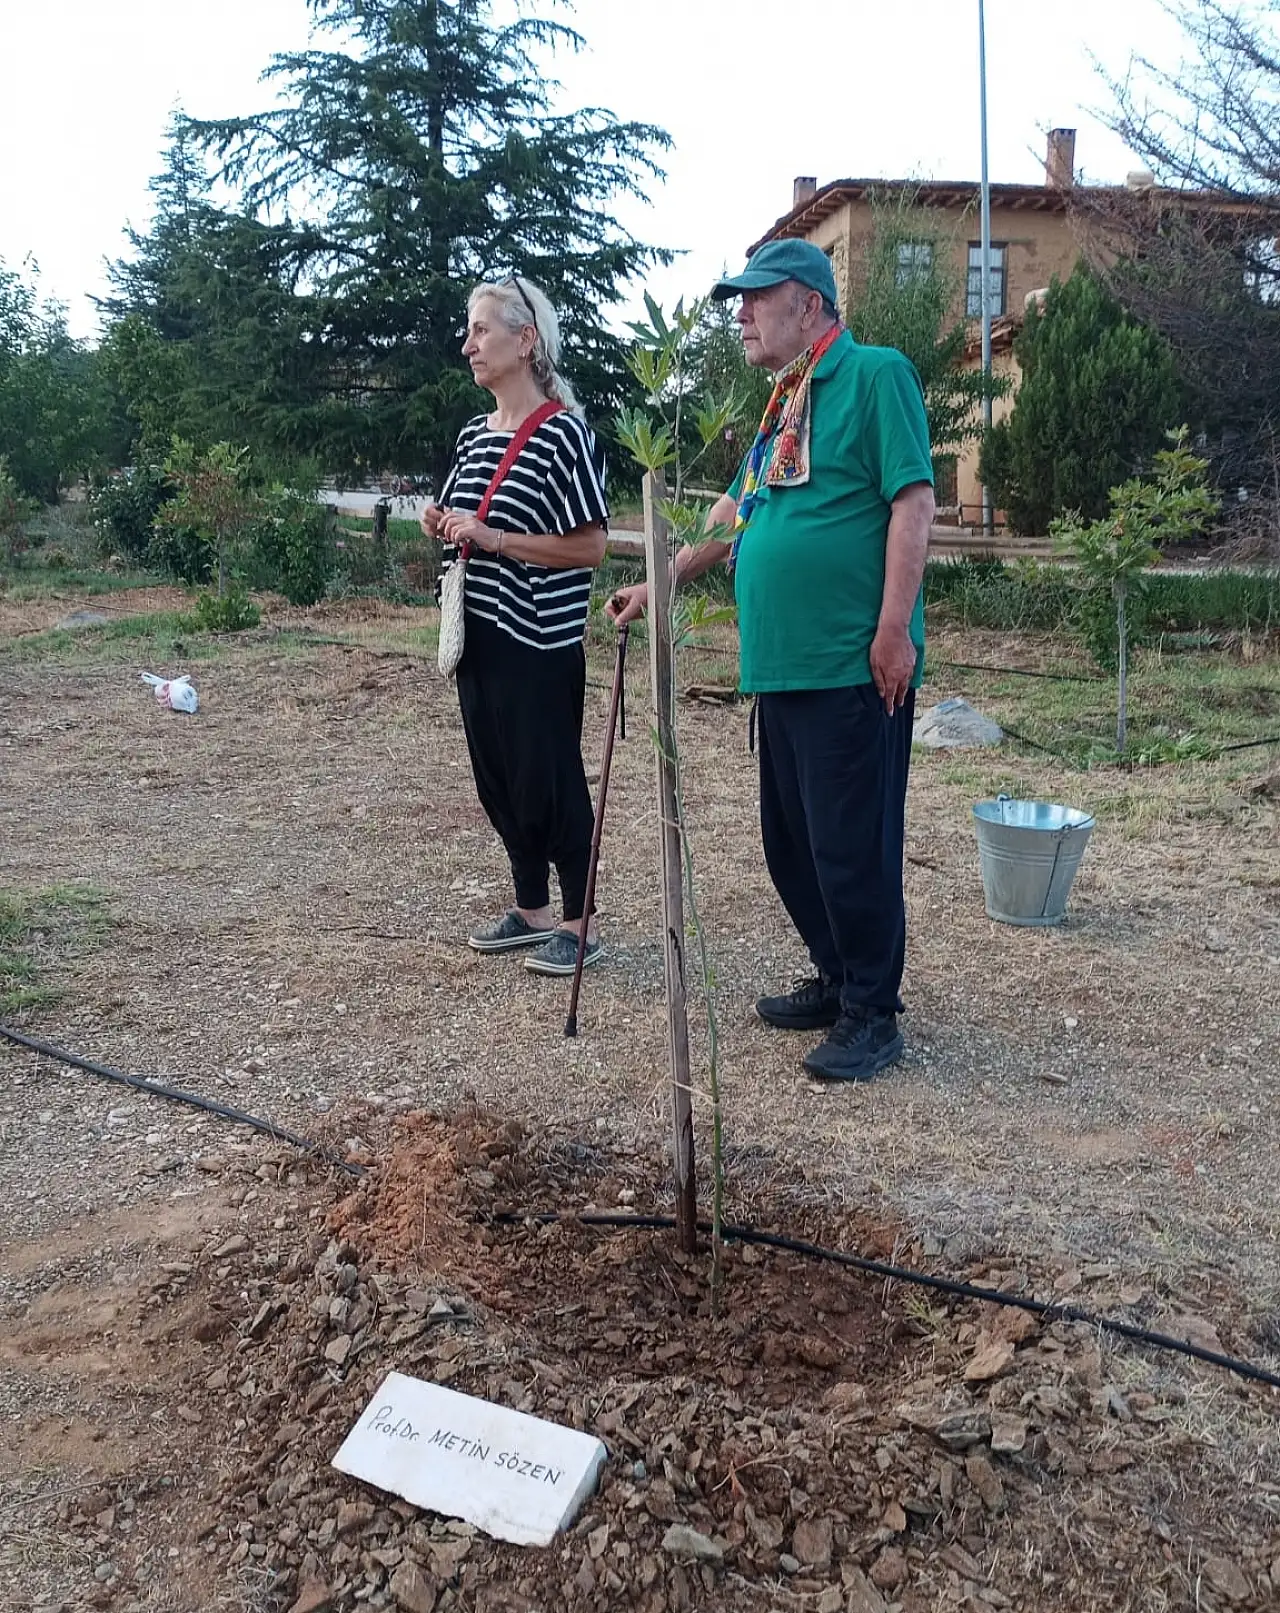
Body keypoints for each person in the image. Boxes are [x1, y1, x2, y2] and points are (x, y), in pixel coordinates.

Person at [608, 240, 935, 1082]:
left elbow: (912, 500)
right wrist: (659, 583)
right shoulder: (785, 401)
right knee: (792, 846)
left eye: (759, 297)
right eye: (740, 300)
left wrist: (893, 629)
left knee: (851, 845)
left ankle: (872, 1010)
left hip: (849, 665)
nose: (743, 314)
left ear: (811, 304)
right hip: (782, 667)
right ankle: (836, 976)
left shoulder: (875, 375)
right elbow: (733, 514)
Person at [423, 276, 610, 977]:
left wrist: (496, 539)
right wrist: (442, 523)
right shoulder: (473, 436)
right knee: (497, 778)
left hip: (538, 642)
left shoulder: (564, 435)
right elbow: (464, 518)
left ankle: (579, 923)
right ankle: (531, 908)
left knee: (550, 778)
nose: (467, 345)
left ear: (526, 340)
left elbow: (591, 547)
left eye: (481, 330)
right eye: (468, 331)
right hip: (477, 636)